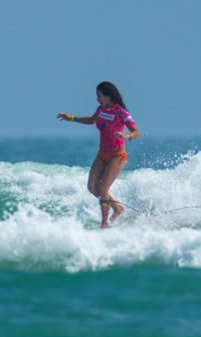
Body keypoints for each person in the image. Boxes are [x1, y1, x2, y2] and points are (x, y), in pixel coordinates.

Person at [57, 81, 140, 228]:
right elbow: (91, 120)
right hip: (102, 154)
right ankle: (117, 209)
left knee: (102, 190)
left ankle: (104, 223)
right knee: (92, 187)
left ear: (108, 96)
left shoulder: (121, 113)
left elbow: (136, 132)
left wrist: (126, 136)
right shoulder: (100, 109)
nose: (97, 99)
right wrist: (71, 118)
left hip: (117, 155)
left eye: (99, 96)